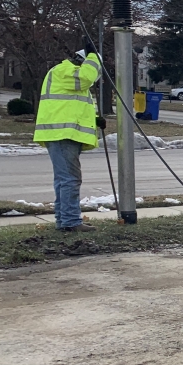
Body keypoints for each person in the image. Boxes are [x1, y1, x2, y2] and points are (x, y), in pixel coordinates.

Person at [33, 41, 106, 232]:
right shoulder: (64, 71)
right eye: (95, 68)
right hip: (62, 134)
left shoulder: (67, 75)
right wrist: (93, 57)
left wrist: (94, 120)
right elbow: (85, 79)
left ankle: (64, 221)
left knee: (64, 179)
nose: (96, 75)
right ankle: (71, 222)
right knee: (70, 179)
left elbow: (72, 106)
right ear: (82, 62)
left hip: (62, 134)